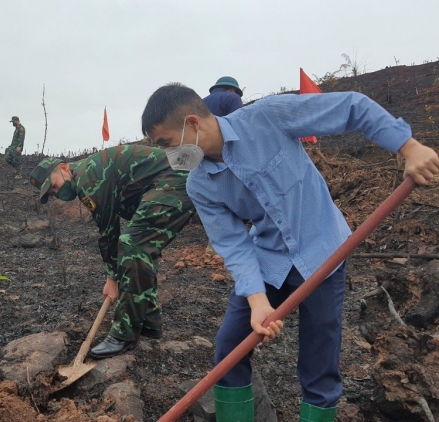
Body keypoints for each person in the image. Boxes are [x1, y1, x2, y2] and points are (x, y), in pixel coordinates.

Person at [140, 83, 439, 422]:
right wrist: (257, 301)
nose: (168, 155)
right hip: (269, 260)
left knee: (319, 361)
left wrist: (409, 147)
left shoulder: (267, 117)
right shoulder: (200, 183)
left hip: (324, 253)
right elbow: (233, 244)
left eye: (166, 143)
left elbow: (352, 107)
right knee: (230, 347)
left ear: (192, 123)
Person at [29, 145, 194, 359]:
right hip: (166, 180)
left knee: (133, 245)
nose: (56, 193)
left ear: (63, 168)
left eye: (53, 186)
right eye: (51, 193)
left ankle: (124, 334)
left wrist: (112, 278)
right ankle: (148, 320)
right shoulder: (86, 175)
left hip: (176, 178)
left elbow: (109, 232)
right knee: (140, 245)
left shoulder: (88, 179)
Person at [202, 77, 244, 256]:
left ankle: (212, 243)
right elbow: (238, 124)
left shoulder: (199, 104)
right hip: (226, 152)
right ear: (233, 90)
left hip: (203, 155)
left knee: (212, 195)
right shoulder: (232, 99)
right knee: (235, 193)